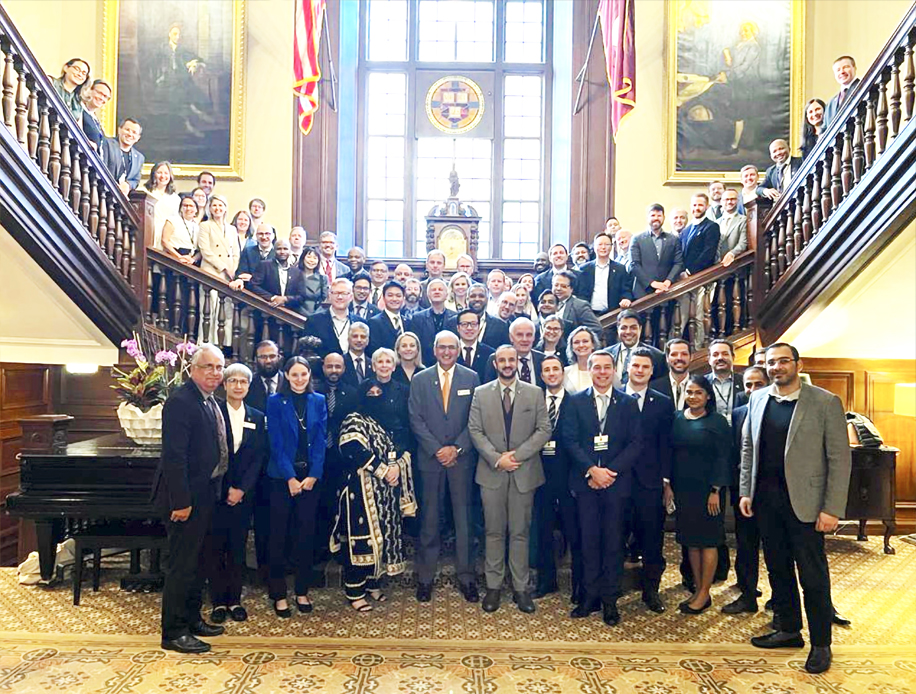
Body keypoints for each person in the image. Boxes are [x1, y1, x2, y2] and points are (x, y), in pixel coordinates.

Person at [739, 343, 851, 674]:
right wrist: (746, 491)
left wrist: (831, 508)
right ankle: (788, 629)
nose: (776, 367)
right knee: (778, 568)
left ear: (797, 364)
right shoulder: (758, 398)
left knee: (813, 576)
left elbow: (839, 459)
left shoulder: (824, 401)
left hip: (807, 504)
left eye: (783, 361)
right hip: (766, 502)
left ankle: (821, 643)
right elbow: (749, 448)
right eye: (770, 362)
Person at [152, 344, 227, 653]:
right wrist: (182, 501)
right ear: (193, 369)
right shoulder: (181, 401)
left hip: (205, 493)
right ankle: (173, 631)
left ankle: (193, 618)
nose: (215, 373)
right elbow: (174, 457)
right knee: (181, 565)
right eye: (208, 366)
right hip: (184, 499)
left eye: (219, 367)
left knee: (198, 562)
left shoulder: (207, 400)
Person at [331, 349, 417, 611]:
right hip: (359, 492)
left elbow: (395, 451)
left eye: (380, 396)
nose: (376, 399)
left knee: (382, 538)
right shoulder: (354, 419)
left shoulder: (382, 425)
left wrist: (394, 469)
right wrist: (383, 471)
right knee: (361, 539)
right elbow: (352, 448)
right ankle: (355, 591)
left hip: (384, 492)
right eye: (371, 395)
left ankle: (373, 584)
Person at [469, 344, 552, 614]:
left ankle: (520, 588)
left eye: (511, 359)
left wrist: (516, 456)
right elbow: (475, 430)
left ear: (518, 362)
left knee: (520, 533)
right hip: (491, 472)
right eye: (502, 360)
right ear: (495, 363)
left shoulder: (534, 392)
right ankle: (493, 587)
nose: (507, 364)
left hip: (523, 473)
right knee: (493, 532)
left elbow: (543, 429)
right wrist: (497, 458)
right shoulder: (481, 394)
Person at [562, 349, 641, 626]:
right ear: (590, 370)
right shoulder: (574, 402)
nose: (603, 372)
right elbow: (569, 440)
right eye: (597, 368)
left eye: (608, 367)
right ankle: (588, 597)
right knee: (588, 542)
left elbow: (635, 443)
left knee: (613, 543)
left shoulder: (628, 403)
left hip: (616, 485)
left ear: (614, 371)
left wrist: (610, 472)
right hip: (585, 485)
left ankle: (610, 601)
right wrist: (591, 470)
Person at [409, 331, 481, 603]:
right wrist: (437, 449)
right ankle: (425, 578)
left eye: (452, 347)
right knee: (429, 520)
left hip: (462, 460)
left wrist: (457, 449)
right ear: (435, 349)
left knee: (464, 521)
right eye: (443, 347)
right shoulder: (420, 379)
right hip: (431, 460)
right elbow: (415, 418)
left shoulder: (471, 378)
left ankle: (467, 577)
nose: (448, 352)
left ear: (459, 350)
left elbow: (475, 419)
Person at [265, 357, 327, 617]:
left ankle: (302, 591)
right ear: (287, 376)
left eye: (304, 374)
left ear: (309, 375)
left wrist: (313, 475)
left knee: (306, 536)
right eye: (294, 374)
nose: (300, 379)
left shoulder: (318, 400)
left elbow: (321, 440)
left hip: (309, 478)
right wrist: (290, 477)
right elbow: (276, 444)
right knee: (278, 536)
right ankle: (279, 594)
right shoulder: (275, 402)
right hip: (282, 478)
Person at [206, 363, 266, 624]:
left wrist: (241, 489)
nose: (238, 386)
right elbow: (210, 453)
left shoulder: (257, 416)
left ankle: (235, 600)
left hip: (243, 494)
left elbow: (258, 457)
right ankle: (218, 602)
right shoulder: (212, 412)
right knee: (215, 546)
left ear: (248, 387)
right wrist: (227, 486)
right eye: (233, 381)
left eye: (243, 382)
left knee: (238, 548)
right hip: (217, 491)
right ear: (225, 384)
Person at [670, 376, 731, 615]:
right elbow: (670, 453)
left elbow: (724, 456)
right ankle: (697, 588)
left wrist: (716, 490)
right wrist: (668, 485)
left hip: (708, 492)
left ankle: (705, 592)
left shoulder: (717, 422)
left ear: (707, 396)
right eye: (689, 392)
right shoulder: (676, 419)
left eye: (698, 393)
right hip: (684, 490)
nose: (692, 396)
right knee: (691, 542)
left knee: (708, 541)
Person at [624, 349, 674, 612]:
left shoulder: (663, 402)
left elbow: (667, 444)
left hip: (650, 483)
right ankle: (613, 588)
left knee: (652, 540)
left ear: (652, 371)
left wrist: (666, 481)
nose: (640, 370)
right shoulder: (615, 397)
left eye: (645, 367)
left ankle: (651, 592)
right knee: (615, 538)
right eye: (636, 366)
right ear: (628, 368)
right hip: (618, 482)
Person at [533, 355, 582, 602]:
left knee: (575, 532)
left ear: (561, 374)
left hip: (568, 479)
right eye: (546, 370)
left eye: (555, 369)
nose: (551, 373)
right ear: (541, 376)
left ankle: (578, 586)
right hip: (540, 477)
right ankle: (546, 582)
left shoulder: (576, 403)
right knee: (542, 531)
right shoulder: (533, 401)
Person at [721, 365, 768, 615]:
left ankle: (780, 598)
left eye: (758, 384)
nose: (752, 390)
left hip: (773, 491)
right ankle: (747, 595)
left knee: (775, 547)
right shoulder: (739, 412)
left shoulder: (778, 410)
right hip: (743, 489)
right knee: (745, 543)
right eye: (748, 385)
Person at [677, 193, 721, 345]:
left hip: (700, 279)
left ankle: (699, 347)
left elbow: (708, 253)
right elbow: (680, 254)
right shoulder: (686, 230)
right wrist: (682, 271)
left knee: (699, 316)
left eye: (700, 205)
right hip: (684, 280)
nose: (697, 208)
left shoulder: (712, 227)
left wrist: (690, 271)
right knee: (681, 316)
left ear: (707, 206)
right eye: (694, 205)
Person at [197, 195, 240, 345]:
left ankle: (223, 343)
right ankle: (205, 343)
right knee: (208, 308)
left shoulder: (232, 229)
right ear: (210, 208)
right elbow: (205, 250)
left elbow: (236, 252)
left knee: (225, 310)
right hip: (211, 271)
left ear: (225, 208)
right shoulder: (205, 226)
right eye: (214, 205)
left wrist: (233, 269)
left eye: (221, 205)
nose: (218, 208)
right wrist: (223, 266)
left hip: (228, 275)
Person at [249, 239, 306, 339]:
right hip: (266, 315)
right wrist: (273, 298)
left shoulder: (297, 272)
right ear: (274, 251)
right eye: (279, 249)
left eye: (285, 249)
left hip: (289, 317)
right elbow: (253, 286)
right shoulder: (264, 265)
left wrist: (285, 299)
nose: (282, 252)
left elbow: (301, 296)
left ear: (290, 251)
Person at [630, 204, 684, 299]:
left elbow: (678, 263)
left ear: (664, 218)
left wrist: (668, 281)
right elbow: (634, 265)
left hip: (667, 291)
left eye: (659, 215)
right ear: (647, 218)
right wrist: (652, 283)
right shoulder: (637, 239)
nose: (656, 218)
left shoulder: (673, 239)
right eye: (653, 215)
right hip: (643, 292)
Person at [575, 232, 633, 317]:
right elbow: (580, 293)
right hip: (589, 314)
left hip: (612, 314)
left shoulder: (620, 269)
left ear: (611, 247)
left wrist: (626, 299)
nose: (603, 247)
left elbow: (626, 290)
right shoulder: (584, 269)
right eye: (600, 244)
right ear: (594, 247)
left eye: (606, 244)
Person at [608, 310, 667, 386]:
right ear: (617, 329)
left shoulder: (657, 356)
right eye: (624, 328)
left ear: (640, 329)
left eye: (633, 328)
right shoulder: (607, 353)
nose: (628, 332)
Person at [445, 284, 510, 349]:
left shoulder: (500, 326)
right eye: (473, 296)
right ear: (467, 299)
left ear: (487, 299)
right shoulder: (452, 323)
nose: (477, 299)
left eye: (481, 296)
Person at [304, 278, 356, 356]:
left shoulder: (360, 322)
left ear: (351, 297)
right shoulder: (314, 321)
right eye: (335, 293)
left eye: (344, 293)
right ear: (329, 295)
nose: (340, 297)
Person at [411, 278, 456, 365]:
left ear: (446, 295)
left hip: (450, 362)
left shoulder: (456, 317)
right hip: (425, 364)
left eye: (440, 289)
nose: (437, 292)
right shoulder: (417, 318)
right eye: (433, 290)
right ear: (428, 295)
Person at [100, 118, 145, 194]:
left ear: (138, 138)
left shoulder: (139, 158)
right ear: (119, 130)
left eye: (134, 132)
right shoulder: (107, 144)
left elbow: (135, 180)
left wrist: (128, 185)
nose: (130, 134)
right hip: (104, 193)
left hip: (122, 199)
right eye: (127, 130)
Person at [368, 280, 413, 354]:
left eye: (398, 296)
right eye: (390, 295)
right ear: (383, 297)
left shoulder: (408, 322)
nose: (394, 299)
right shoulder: (374, 322)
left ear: (403, 298)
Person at [143, 162, 181, 249]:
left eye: (166, 173)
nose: (163, 176)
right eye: (159, 172)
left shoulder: (176, 198)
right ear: (153, 174)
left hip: (168, 237)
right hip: (148, 232)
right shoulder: (144, 192)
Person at [552, 271, 602, 335]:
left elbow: (596, 329)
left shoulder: (580, 306)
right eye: (556, 285)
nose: (558, 288)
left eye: (563, 286)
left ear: (571, 289)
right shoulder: (547, 303)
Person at [455, 309, 496, 383]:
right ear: (458, 328)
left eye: (473, 324)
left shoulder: (490, 353)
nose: (469, 328)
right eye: (464, 324)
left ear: (479, 327)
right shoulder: (451, 352)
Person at [650, 338, 691, 411]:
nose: (679, 358)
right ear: (667, 358)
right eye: (674, 354)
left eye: (684, 354)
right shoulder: (653, 387)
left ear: (691, 357)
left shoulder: (701, 386)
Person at [161, 196, 200, 264]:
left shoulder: (198, 226)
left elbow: (201, 249)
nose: (188, 208)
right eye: (185, 205)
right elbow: (164, 241)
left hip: (191, 261)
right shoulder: (172, 221)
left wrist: (193, 259)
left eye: (191, 206)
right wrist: (178, 257)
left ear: (196, 209)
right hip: (174, 258)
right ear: (180, 208)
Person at [824, 55, 860, 126]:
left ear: (854, 68)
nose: (842, 72)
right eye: (838, 70)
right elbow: (824, 129)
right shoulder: (831, 104)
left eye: (846, 67)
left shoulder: (862, 88)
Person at [564, 326, 599, 392]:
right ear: (572, 347)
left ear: (593, 345)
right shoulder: (565, 373)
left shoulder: (606, 370)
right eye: (576, 342)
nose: (581, 345)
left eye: (585, 341)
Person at [80, 79, 112, 149]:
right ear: (89, 90)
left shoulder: (96, 120)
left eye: (106, 97)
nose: (102, 98)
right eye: (100, 93)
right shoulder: (79, 110)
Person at [298, 247, 330, 315]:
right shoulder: (294, 275)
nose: (311, 260)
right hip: (295, 316)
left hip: (316, 315)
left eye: (315, 258)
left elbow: (324, 301)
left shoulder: (323, 279)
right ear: (303, 258)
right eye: (309, 257)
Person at [341, 322, 374, 387]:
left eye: (363, 337)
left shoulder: (373, 363)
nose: (359, 340)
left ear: (367, 341)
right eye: (355, 336)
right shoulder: (341, 361)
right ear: (348, 339)